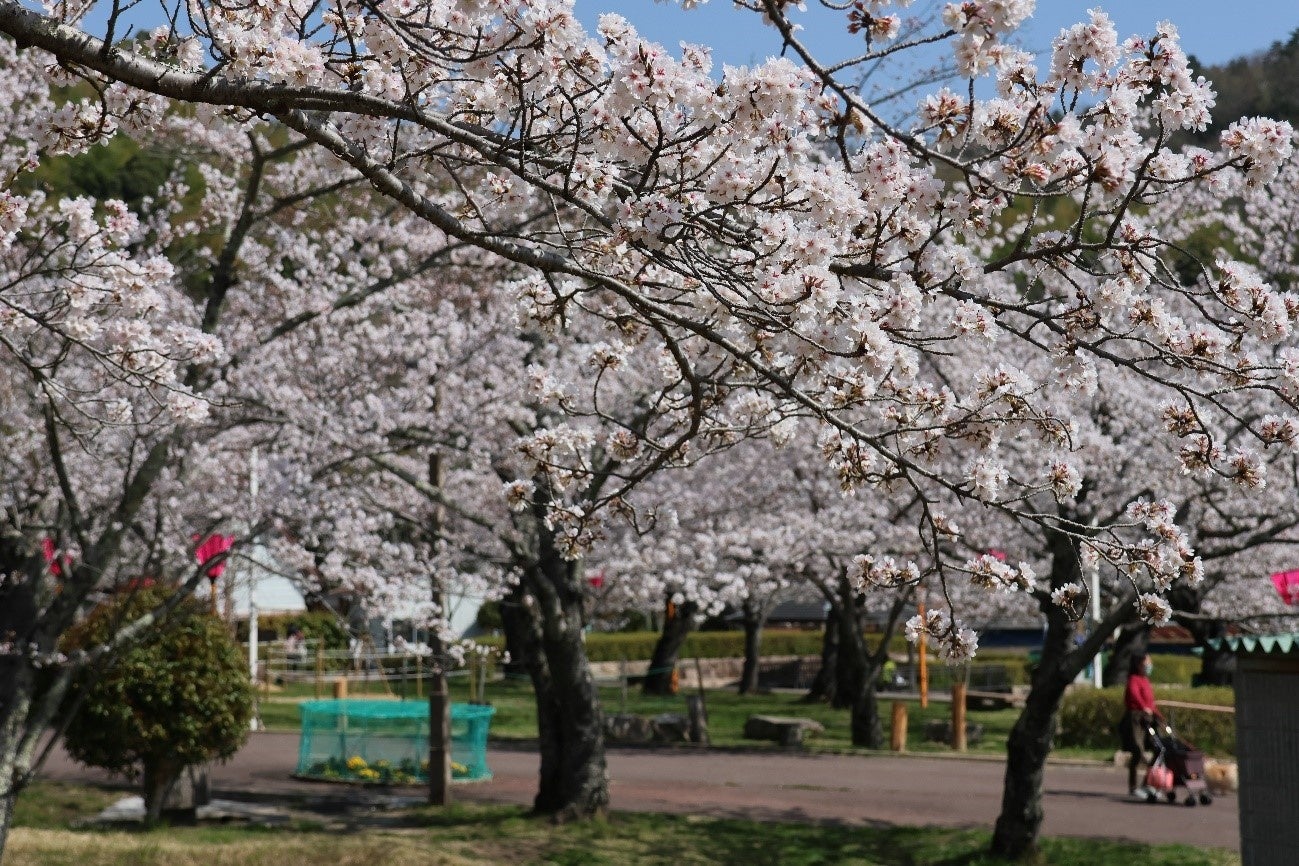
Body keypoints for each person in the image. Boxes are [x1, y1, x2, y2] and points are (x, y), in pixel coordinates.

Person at [1120, 653, 1161, 800]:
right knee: (1138, 751)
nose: (1150, 666)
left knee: (1158, 748)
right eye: (1147, 663)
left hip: (1148, 718)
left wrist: (1158, 715)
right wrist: (1143, 707)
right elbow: (1134, 695)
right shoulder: (1133, 680)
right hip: (1136, 718)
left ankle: (1147, 783)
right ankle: (1133, 786)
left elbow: (1151, 702)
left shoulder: (1146, 680)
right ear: (1139, 665)